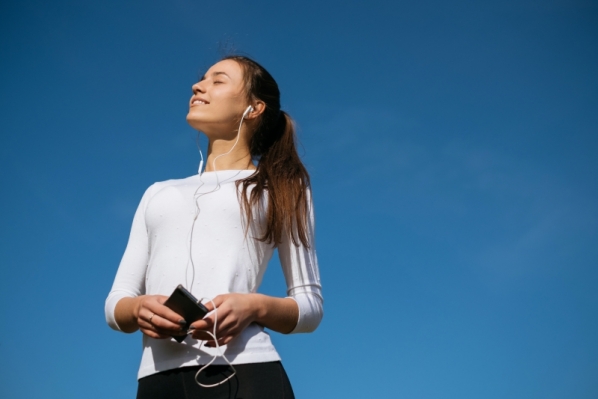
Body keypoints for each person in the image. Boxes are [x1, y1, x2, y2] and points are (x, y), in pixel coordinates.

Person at [104, 55, 323, 399]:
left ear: (253, 108)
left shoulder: (281, 187)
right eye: (201, 79)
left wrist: (254, 306)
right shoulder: (158, 192)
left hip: (248, 375)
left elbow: (310, 307)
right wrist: (137, 309)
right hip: (157, 381)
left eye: (217, 80)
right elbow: (116, 302)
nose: (197, 85)